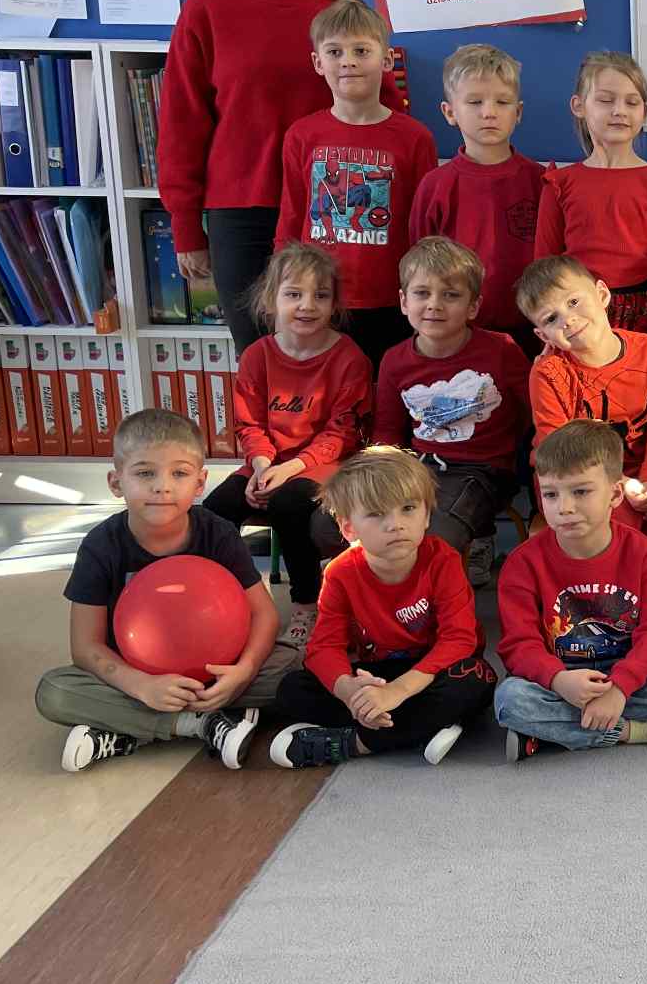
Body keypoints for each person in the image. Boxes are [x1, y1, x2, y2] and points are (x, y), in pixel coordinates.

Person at [159, 0, 361, 349]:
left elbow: (381, 115)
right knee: (258, 354)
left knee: (338, 355)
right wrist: (186, 226)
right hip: (241, 211)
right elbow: (181, 125)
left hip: (332, 207)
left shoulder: (344, 14)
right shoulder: (207, 10)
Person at [36, 409, 287, 773]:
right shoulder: (101, 546)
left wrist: (243, 672)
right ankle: (201, 724)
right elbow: (85, 648)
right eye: (144, 473)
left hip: (220, 671)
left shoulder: (218, 534)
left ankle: (127, 728)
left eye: (179, 474)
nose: (162, 487)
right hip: (134, 677)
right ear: (116, 482)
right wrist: (142, 686)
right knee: (55, 691)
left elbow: (264, 614)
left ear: (200, 483)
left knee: (298, 669)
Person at [492, 420, 647, 762]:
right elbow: (519, 645)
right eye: (551, 494)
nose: (564, 507)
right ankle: (639, 732)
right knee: (510, 700)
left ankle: (555, 734)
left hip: (629, 672)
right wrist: (559, 680)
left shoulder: (643, 553)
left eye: (580, 492)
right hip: (561, 679)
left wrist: (620, 688)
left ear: (615, 495)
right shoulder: (523, 563)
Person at [266, 448, 497, 769]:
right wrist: (350, 692)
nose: (395, 525)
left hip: (435, 671)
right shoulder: (340, 572)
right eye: (376, 514)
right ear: (348, 528)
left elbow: (458, 640)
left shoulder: (443, 560)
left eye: (408, 509)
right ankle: (420, 727)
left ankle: (358, 743)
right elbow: (324, 648)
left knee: (478, 680)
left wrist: (398, 692)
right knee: (292, 690)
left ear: (426, 516)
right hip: (378, 674)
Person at [201, 242, 371, 647]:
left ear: (334, 304)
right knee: (214, 511)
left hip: (326, 467)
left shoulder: (349, 358)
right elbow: (249, 424)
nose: (307, 305)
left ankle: (305, 605)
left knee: (289, 504)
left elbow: (343, 432)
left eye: (321, 295)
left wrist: (289, 470)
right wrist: (262, 467)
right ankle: (226, 600)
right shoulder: (257, 356)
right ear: (271, 300)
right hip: (266, 464)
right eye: (294, 294)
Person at [274, 0, 438, 369]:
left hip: (392, 300)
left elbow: (423, 229)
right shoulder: (302, 135)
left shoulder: (415, 138)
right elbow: (291, 217)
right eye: (335, 52)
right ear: (318, 62)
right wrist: (285, 290)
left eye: (361, 51)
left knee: (385, 389)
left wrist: (423, 292)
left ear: (386, 60)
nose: (347, 61)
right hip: (321, 299)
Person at [518, 255, 647, 567]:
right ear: (543, 335)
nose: (568, 320)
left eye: (574, 302)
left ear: (601, 294)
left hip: (642, 473)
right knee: (618, 529)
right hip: (574, 480)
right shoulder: (548, 372)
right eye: (551, 318)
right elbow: (558, 450)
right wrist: (622, 485)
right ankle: (612, 588)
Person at [372, 236, 531, 583]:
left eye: (451, 295)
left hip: (486, 469)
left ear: (473, 306)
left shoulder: (501, 350)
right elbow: (387, 432)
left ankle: (469, 550)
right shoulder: (394, 360)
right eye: (422, 293)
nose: (434, 305)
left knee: (435, 537)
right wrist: (378, 478)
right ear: (404, 301)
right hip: (421, 467)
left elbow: (534, 411)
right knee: (359, 523)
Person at [532, 51, 647, 347]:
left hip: (642, 321)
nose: (619, 111)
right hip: (574, 321)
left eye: (632, 102)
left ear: (644, 111)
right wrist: (549, 339)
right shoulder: (559, 184)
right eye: (605, 100)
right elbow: (543, 271)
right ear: (579, 106)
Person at [409, 44, 545, 363]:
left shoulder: (541, 181)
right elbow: (418, 267)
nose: (489, 112)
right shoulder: (435, 186)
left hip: (532, 330)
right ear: (450, 112)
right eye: (475, 102)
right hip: (456, 334)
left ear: (518, 112)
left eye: (502, 102)